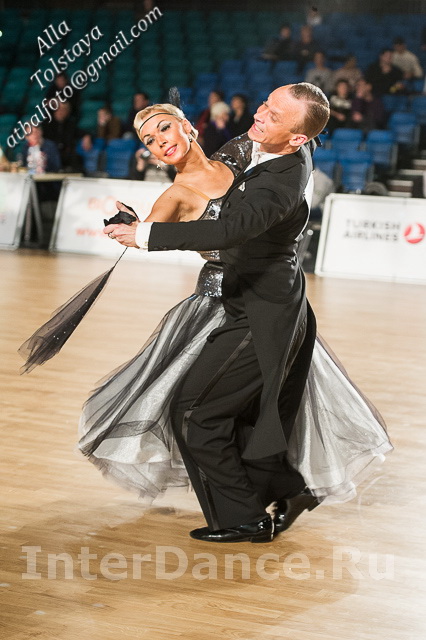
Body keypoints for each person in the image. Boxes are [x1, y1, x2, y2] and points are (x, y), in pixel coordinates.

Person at [102, 84, 392, 543]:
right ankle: (286, 491)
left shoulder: (281, 178)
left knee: (195, 412)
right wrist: (134, 226)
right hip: (247, 302)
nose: (259, 116)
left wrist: (143, 236)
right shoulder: (247, 147)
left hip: (261, 310)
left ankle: (246, 516)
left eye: (274, 116)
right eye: (264, 105)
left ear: (297, 139)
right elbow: (163, 217)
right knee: (232, 414)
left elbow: (232, 229)